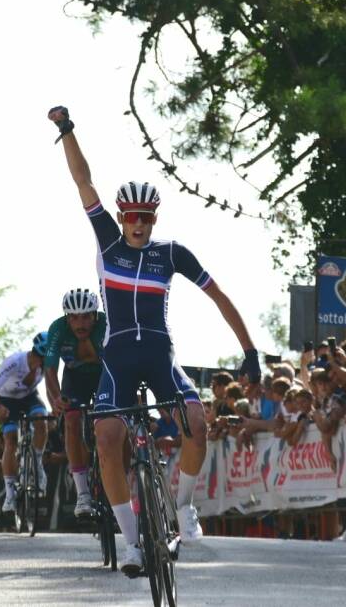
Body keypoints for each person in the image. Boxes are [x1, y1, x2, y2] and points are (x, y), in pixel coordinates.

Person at [49, 105, 261, 577]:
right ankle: (130, 544)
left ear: (155, 216)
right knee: (107, 438)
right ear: (122, 217)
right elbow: (84, 183)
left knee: (196, 423)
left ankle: (183, 507)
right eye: (131, 216)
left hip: (160, 357)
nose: (139, 224)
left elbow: (219, 296)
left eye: (146, 216)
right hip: (118, 359)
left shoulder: (172, 254)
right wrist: (67, 131)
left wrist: (249, 351)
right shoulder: (108, 243)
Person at [43, 288, 107, 517]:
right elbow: (49, 369)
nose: (79, 323)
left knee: (114, 419)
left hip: (104, 375)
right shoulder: (58, 328)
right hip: (75, 379)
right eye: (73, 317)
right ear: (66, 317)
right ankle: (83, 494)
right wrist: (56, 398)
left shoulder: (106, 325)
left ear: (95, 316)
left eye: (85, 317)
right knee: (70, 420)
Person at [0, 333, 51, 513]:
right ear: (34, 352)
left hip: (29, 397)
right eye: (40, 358)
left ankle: (37, 463)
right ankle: (10, 493)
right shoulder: (14, 362)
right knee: (10, 440)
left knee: (41, 422)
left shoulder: (46, 364)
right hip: (6, 399)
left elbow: (45, 387)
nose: (43, 362)